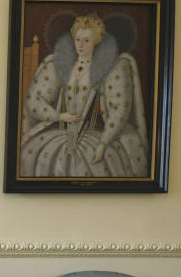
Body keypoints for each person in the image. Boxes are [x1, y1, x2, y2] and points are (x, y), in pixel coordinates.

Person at [19, 14, 148, 178]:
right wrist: (58, 116)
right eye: (77, 39)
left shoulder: (112, 68)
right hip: (60, 133)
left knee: (92, 162)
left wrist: (103, 143)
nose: (80, 45)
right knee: (33, 155)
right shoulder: (58, 64)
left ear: (96, 41)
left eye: (86, 40)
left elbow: (120, 109)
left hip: (97, 134)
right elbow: (34, 100)